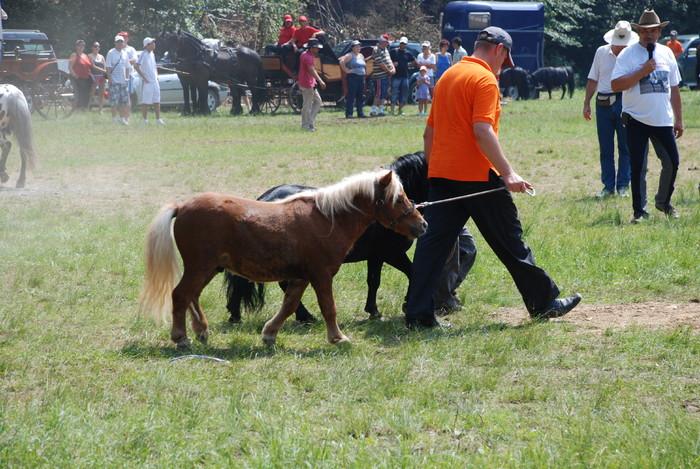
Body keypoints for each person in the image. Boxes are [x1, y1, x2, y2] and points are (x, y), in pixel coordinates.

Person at [404, 26, 582, 329]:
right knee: (510, 243)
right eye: (505, 60)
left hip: (443, 176)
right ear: (499, 49)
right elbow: (482, 130)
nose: (502, 68)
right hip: (479, 178)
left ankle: (418, 313)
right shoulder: (484, 78)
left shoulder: (448, 76)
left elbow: (429, 132)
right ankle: (544, 303)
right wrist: (508, 172)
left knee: (431, 247)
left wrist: (435, 173)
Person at [611, 10, 683, 223]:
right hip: (636, 119)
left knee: (672, 162)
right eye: (643, 31)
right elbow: (615, 85)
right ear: (638, 32)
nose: (647, 35)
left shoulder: (667, 53)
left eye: (652, 31)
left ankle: (663, 201)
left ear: (660, 32)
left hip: (663, 120)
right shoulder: (627, 54)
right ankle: (639, 211)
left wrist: (679, 119)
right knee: (638, 167)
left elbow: (674, 88)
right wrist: (641, 72)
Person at [583, 21, 639, 198]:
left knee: (625, 146)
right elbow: (593, 79)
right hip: (603, 103)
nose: (621, 48)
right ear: (612, 41)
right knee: (605, 147)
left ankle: (623, 185)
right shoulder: (601, 52)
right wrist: (586, 103)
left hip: (625, 101)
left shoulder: (634, 54)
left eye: (624, 45)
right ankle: (608, 186)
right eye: (619, 44)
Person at [433, 228, 477, 315]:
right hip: (441, 217)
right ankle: (440, 303)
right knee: (450, 254)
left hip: (456, 216)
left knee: (468, 247)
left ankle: (444, 293)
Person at [134, 37, 164, 125]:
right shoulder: (143, 54)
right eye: (152, 43)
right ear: (147, 45)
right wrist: (143, 77)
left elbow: (154, 65)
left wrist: (156, 75)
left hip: (154, 81)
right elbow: (136, 66)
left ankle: (158, 119)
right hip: (147, 82)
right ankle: (144, 120)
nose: (154, 44)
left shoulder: (152, 54)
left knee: (157, 100)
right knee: (145, 101)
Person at [298, 38, 326, 131]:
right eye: (316, 47)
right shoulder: (308, 57)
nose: (318, 49)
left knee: (317, 101)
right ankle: (306, 125)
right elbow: (311, 70)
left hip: (310, 83)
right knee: (307, 105)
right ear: (311, 48)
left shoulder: (306, 54)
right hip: (307, 83)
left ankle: (310, 122)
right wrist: (321, 81)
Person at [105, 35, 131, 125]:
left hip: (123, 81)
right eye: (118, 42)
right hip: (114, 81)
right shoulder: (111, 53)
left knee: (124, 101)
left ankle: (122, 118)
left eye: (121, 42)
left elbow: (127, 67)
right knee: (114, 101)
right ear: (115, 43)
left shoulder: (125, 53)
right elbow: (107, 67)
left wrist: (127, 77)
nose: (120, 43)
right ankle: (114, 118)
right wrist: (110, 78)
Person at [340, 40, 367, 119]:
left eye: (359, 46)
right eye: (356, 47)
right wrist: (347, 70)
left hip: (361, 77)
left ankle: (360, 113)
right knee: (351, 95)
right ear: (352, 48)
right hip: (353, 77)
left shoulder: (361, 55)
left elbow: (364, 64)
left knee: (360, 96)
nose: (359, 48)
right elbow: (342, 62)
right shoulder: (349, 55)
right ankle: (349, 113)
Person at [390, 37, 416, 116]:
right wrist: (392, 64)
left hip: (405, 76)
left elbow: (415, 61)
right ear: (399, 43)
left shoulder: (408, 53)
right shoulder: (394, 51)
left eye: (404, 44)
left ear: (406, 44)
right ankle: (392, 110)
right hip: (396, 76)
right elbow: (388, 60)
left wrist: (408, 65)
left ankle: (400, 110)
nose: (402, 45)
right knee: (394, 93)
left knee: (404, 93)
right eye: (401, 43)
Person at [370, 35, 395, 117]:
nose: (387, 44)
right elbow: (381, 64)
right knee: (378, 93)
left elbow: (389, 60)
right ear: (382, 42)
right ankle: (373, 110)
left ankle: (381, 110)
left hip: (386, 76)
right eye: (386, 42)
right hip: (379, 76)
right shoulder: (376, 49)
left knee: (384, 93)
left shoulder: (386, 50)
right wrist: (389, 70)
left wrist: (393, 68)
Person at [68, 40, 95, 110]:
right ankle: (77, 109)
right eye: (79, 45)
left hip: (87, 78)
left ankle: (84, 109)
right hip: (78, 78)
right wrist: (74, 76)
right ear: (76, 46)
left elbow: (91, 66)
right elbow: (70, 67)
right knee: (79, 94)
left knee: (86, 94)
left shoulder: (86, 56)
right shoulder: (74, 55)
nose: (81, 46)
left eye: (82, 45)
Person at [88, 42, 107, 113]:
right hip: (94, 76)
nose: (97, 48)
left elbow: (105, 66)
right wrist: (104, 71)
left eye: (98, 47)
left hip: (102, 76)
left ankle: (100, 109)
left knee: (101, 93)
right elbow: (93, 66)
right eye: (95, 46)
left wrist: (105, 76)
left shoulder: (101, 56)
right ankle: (88, 107)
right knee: (92, 93)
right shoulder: (90, 56)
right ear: (92, 47)